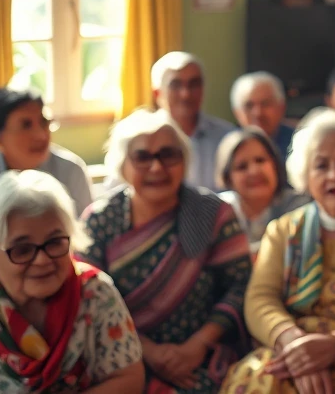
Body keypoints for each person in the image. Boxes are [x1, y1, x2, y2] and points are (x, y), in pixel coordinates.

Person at [79, 109, 252, 393]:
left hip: (203, 355)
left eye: (168, 155)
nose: (157, 168)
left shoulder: (213, 213)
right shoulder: (99, 220)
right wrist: (148, 352)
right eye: (143, 157)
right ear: (123, 166)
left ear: (184, 162)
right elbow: (87, 297)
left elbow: (240, 286)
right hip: (119, 357)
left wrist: (196, 346)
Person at [220, 109, 335, 394]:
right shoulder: (283, 230)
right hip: (290, 350)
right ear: (305, 174)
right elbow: (260, 299)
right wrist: (295, 344)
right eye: (321, 165)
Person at [0, 170, 145, 393]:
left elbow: (129, 379)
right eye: (22, 250)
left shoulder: (96, 292)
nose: (42, 260)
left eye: (54, 242)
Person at [0, 88, 93, 215]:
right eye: (26, 125)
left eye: (44, 122)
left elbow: (83, 231)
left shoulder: (71, 171)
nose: (41, 135)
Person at [214, 127, 310, 256]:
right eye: (242, 167)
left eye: (260, 160)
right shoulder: (218, 211)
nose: (254, 171)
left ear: (275, 164)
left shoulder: (300, 207)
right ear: (228, 178)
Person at [152, 52, 235, 192]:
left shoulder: (227, 137)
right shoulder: (138, 141)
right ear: (157, 93)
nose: (186, 94)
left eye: (194, 84)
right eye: (175, 85)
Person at [230, 71, 294, 159]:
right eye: (249, 105)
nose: (258, 113)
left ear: (282, 108)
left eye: (265, 104)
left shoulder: (299, 144)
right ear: (237, 113)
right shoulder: (227, 148)